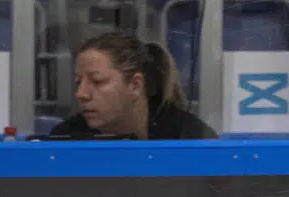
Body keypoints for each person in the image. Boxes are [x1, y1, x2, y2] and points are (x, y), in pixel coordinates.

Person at [50, 32, 216, 139]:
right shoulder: (65, 138)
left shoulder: (190, 138)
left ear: (135, 85)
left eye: (97, 81)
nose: (81, 94)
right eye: (78, 82)